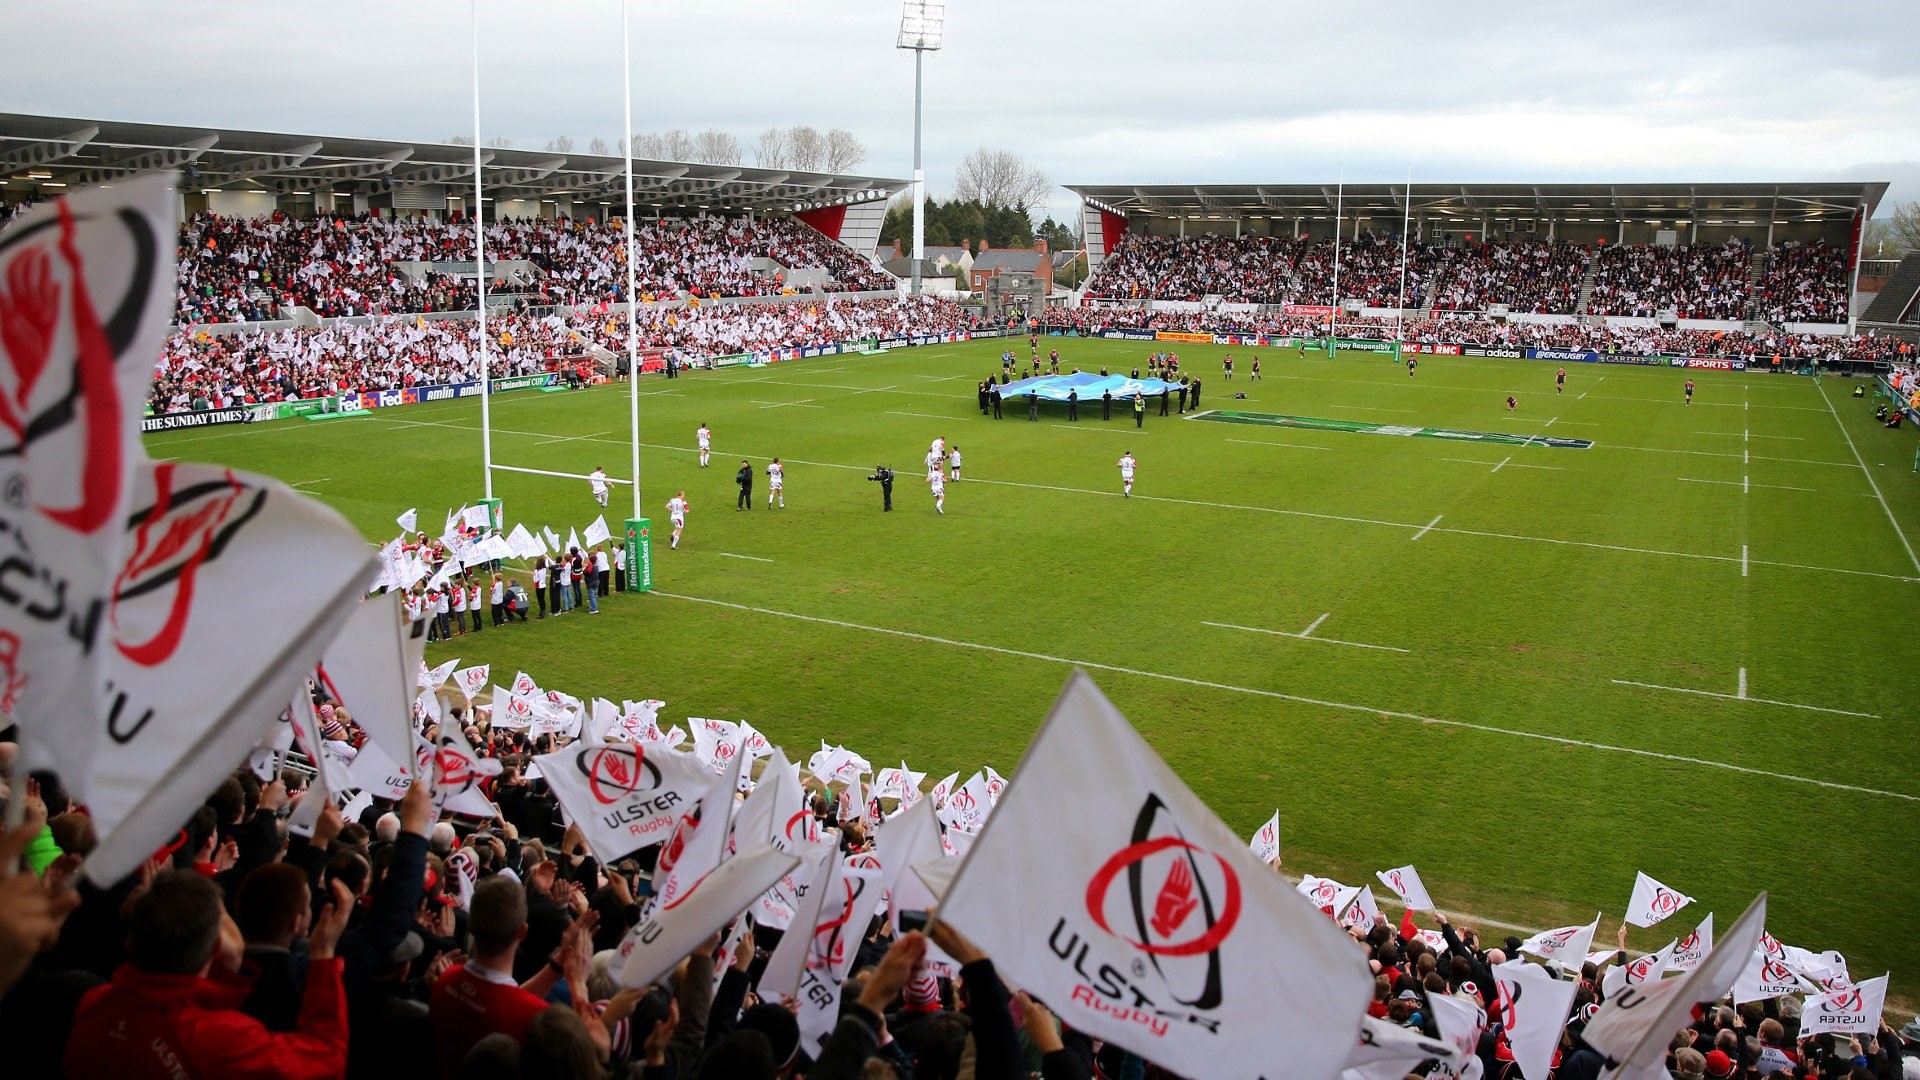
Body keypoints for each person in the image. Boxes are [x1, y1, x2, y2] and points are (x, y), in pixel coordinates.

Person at [64, 869, 354, 1079]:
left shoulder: (92, 1001)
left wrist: (229, 970)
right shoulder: (223, 1041)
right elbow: (326, 1058)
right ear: (216, 946)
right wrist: (323, 956)